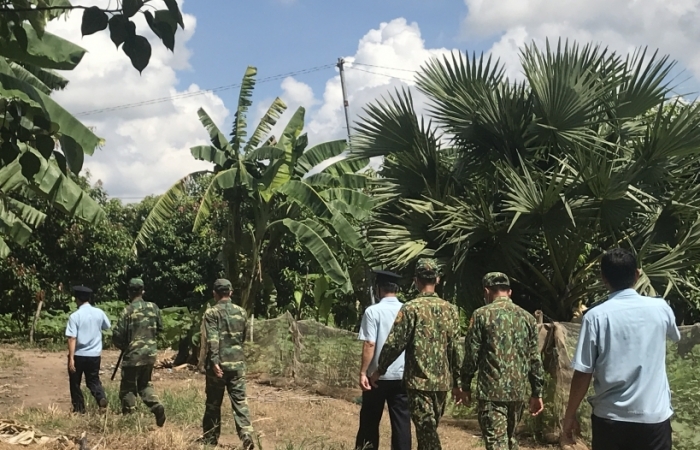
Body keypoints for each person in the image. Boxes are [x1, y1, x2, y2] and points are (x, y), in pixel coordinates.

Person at [562, 248, 681, 450]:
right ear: (637, 274)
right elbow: (674, 337)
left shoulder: (595, 316)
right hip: (653, 417)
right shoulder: (661, 308)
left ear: (603, 278)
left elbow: (583, 372)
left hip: (611, 419)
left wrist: (570, 415)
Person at [371, 258, 461, 450]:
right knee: (428, 431)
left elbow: (395, 343)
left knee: (427, 434)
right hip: (442, 384)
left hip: (418, 382)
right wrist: (459, 382)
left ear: (416, 281)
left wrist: (380, 369)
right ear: (437, 279)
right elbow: (455, 348)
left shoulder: (411, 308)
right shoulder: (451, 310)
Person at [459, 272, 545, 450]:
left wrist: (464, 385)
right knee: (510, 440)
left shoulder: (481, 315)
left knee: (497, 443)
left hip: (492, 393)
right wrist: (537, 392)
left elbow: (471, 354)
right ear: (510, 292)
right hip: (517, 392)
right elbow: (534, 358)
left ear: (486, 291)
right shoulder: (527, 318)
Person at [355, 270, 411, 450]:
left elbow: (370, 344)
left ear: (378, 289)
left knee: (370, 421)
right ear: (396, 289)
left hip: (376, 377)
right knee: (401, 422)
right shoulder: (407, 310)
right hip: (402, 375)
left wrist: (364, 372)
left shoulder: (373, 311)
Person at [201, 279, 255, 449]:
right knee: (239, 402)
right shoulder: (241, 312)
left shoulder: (211, 313)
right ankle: (246, 433)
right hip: (237, 365)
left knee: (213, 403)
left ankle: (210, 439)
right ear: (230, 292)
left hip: (219, 366)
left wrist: (215, 360)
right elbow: (243, 338)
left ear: (214, 293)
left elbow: (213, 338)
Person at [112, 278, 166, 427]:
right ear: (143, 291)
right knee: (145, 385)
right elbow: (160, 328)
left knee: (128, 388)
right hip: (150, 355)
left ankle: (130, 420)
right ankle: (156, 405)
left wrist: (123, 345)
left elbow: (117, 335)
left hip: (133, 356)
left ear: (129, 292)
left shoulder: (127, 310)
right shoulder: (153, 307)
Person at [65, 285, 111, 414]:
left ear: (77, 299)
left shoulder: (75, 316)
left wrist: (71, 358)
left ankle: (79, 409)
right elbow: (107, 326)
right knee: (93, 380)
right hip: (95, 354)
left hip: (79, 354)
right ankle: (100, 397)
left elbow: (72, 338)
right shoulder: (99, 313)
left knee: (75, 382)